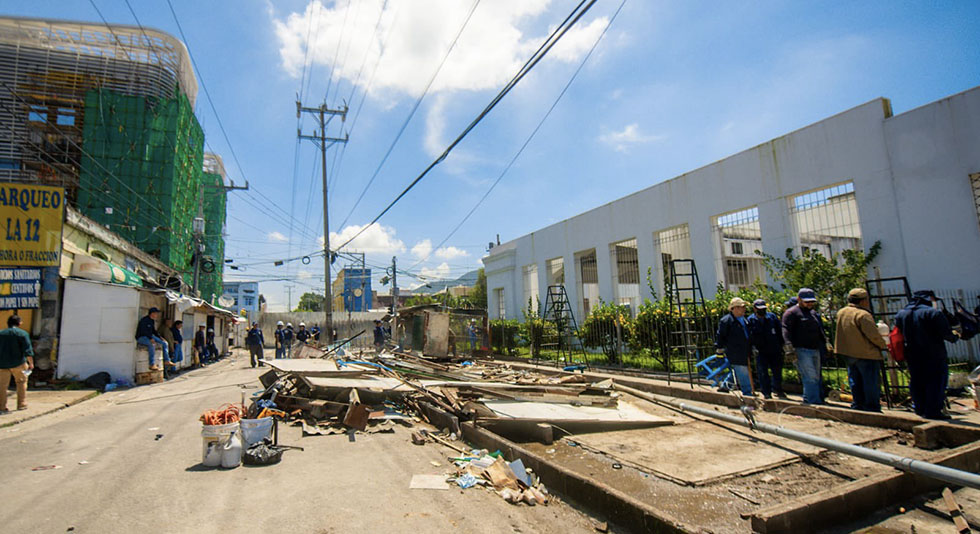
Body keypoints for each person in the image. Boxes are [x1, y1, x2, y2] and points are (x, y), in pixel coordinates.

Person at [895, 290, 960, 420]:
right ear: (928, 298)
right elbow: (947, 334)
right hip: (933, 354)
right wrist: (956, 335)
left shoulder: (901, 314)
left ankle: (919, 408)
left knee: (917, 381)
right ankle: (933, 411)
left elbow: (898, 333)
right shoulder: (934, 313)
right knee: (935, 382)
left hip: (912, 354)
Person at [835, 288, 888, 412]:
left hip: (848, 353)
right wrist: (883, 346)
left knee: (855, 380)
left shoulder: (842, 312)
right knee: (870, 382)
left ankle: (858, 404)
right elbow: (873, 335)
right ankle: (871, 407)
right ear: (863, 301)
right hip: (866, 353)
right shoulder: (863, 314)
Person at [782, 288, 828, 405]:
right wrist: (788, 346)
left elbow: (819, 329)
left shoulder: (813, 313)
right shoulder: (791, 313)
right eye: (807, 302)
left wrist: (826, 342)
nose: (810, 304)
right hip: (801, 350)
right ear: (799, 299)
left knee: (816, 377)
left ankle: (808, 400)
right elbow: (785, 330)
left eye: (811, 301)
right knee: (810, 376)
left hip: (815, 348)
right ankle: (814, 402)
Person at [748, 298, 786, 399]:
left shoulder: (772, 317)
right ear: (754, 309)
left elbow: (779, 332)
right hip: (760, 351)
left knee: (777, 371)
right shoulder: (751, 320)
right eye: (759, 309)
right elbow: (749, 337)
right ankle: (766, 392)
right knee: (763, 372)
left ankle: (778, 389)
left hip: (774, 349)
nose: (762, 311)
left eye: (763, 308)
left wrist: (782, 346)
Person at [715, 297, 753, 395]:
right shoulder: (727, 321)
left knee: (738, 370)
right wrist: (720, 348)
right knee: (742, 370)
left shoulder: (744, 320)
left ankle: (725, 385)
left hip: (745, 349)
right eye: (741, 307)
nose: (744, 309)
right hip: (735, 350)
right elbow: (721, 335)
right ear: (734, 308)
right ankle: (747, 392)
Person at [0, 315, 33, 413]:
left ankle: (1, 407)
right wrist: (31, 363)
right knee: (21, 382)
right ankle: (21, 404)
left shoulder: (1, 333)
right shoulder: (22, 334)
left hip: (2, 364)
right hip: (19, 363)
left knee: (2, 386)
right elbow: (28, 351)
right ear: (19, 323)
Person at [135, 307, 168, 371]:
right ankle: (152, 364)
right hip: (141, 337)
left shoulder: (152, 321)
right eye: (156, 313)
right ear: (152, 313)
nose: (157, 315)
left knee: (164, 343)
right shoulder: (144, 320)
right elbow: (143, 331)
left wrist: (160, 337)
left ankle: (167, 360)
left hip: (150, 336)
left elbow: (153, 331)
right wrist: (150, 338)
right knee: (152, 344)